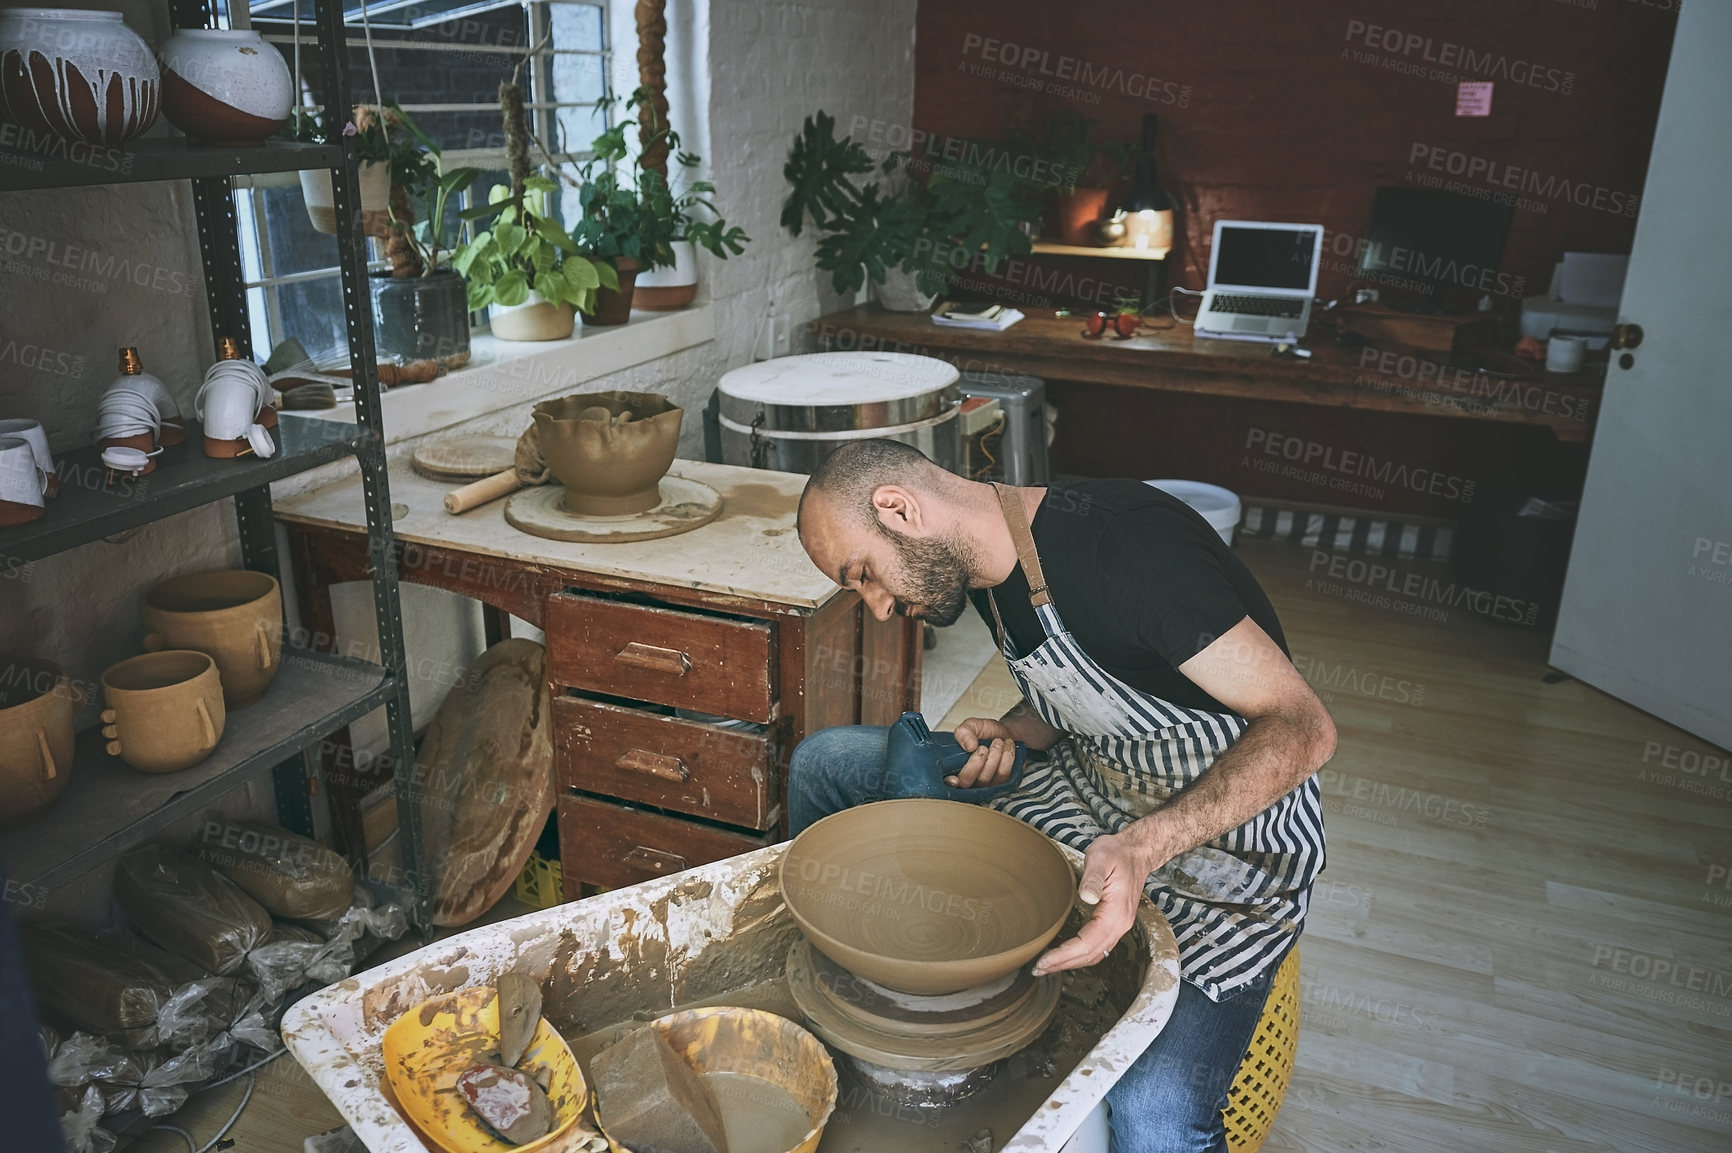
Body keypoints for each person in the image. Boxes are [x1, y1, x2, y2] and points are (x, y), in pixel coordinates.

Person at [791, 438, 1334, 1153]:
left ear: (898, 508)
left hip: (1223, 856)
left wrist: (1144, 846)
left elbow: (1304, 726)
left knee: (1157, 1117)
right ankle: (838, 979)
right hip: (1090, 791)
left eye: (863, 573)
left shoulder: (1128, 550)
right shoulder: (985, 568)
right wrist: (1018, 730)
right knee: (823, 762)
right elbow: (1111, 674)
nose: (880, 608)